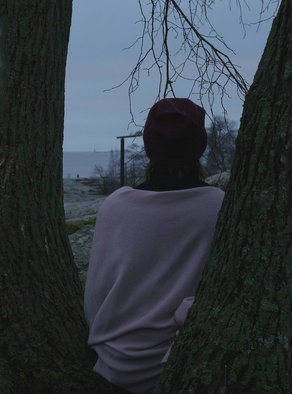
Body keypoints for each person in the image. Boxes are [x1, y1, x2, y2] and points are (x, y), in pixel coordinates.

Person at [84, 98, 225, 393]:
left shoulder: (115, 207)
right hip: (173, 364)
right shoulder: (218, 207)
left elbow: (95, 297)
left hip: (113, 362)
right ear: (199, 145)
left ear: (149, 145)